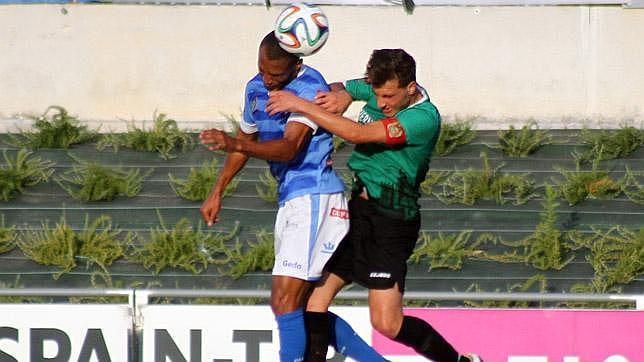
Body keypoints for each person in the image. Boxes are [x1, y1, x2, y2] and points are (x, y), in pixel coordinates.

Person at [266, 48, 482, 362]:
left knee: (386, 323)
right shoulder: (380, 85)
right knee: (313, 301)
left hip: (391, 220)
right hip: (358, 212)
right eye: (378, 94)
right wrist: (341, 95)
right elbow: (344, 87)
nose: (381, 103)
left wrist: (298, 104)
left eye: (389, 97)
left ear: (411, 88)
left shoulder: (422, 117)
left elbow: (357, 133)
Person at [200, 31, 387, 362]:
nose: (267, 79)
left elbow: (289, 148)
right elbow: (247, 137)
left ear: (296, 65)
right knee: (301, 307)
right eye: (262, 70)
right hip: (291, 198)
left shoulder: (308, 86)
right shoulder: (254, 88)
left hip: (315, 195)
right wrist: (217, 191)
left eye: (275, 74)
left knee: (284, 300)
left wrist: (236, 143)